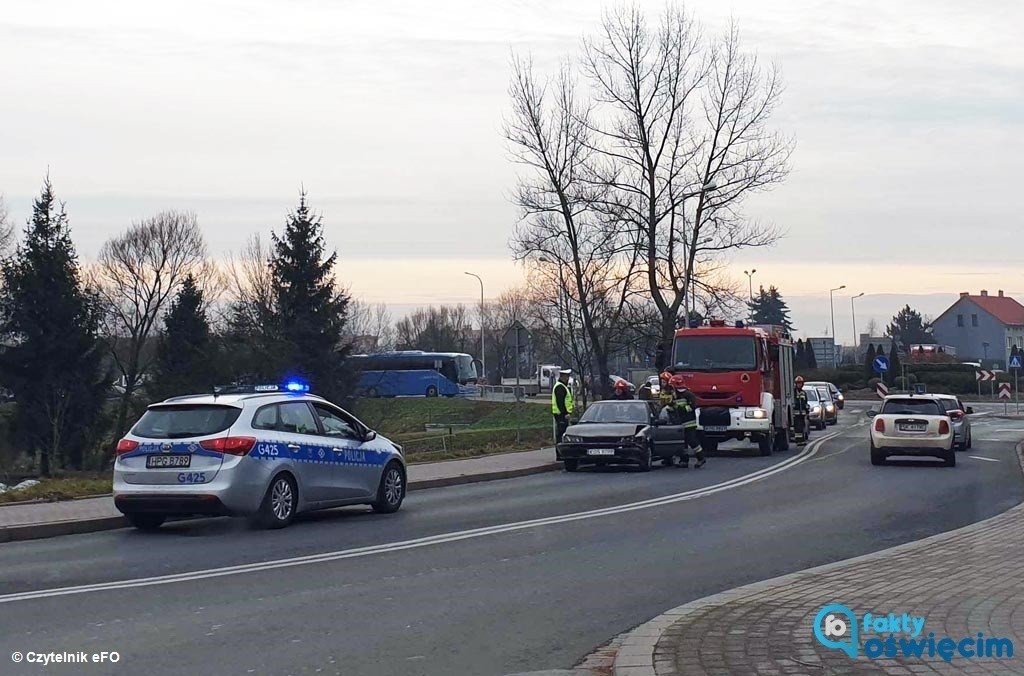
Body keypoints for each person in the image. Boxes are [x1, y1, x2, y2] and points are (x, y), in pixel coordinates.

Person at [660, 374, 706, 468]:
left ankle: (701, 458)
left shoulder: (688, 394)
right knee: (682, 443)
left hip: (689, 422)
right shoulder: (675, 395)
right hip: (679, 422)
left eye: (672, 385)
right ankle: (684, 461)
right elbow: (674, 406)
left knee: (692, 441)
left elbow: (692, 407)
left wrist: (680, 407)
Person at [551, 368, 574, 443]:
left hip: (562, 414)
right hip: (561, 414)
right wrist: (565, 413)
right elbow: (560, 402)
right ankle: (560, 448)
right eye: (567, 377)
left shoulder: (562, 386)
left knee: (563, 432)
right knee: (561, 433)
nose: (568, 379)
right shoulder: (560, 387)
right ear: (563, 377)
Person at [793, 375, 811, 444]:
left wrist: (807, 411)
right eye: (798, 383)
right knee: (798, 428)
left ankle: (802, 440)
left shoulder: (803, 393)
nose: (799, 385)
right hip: (796, 414)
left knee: (802, 427)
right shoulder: (794, 392)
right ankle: (799, 441)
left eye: (800, 383)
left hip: (802, 414)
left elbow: (805, 402)